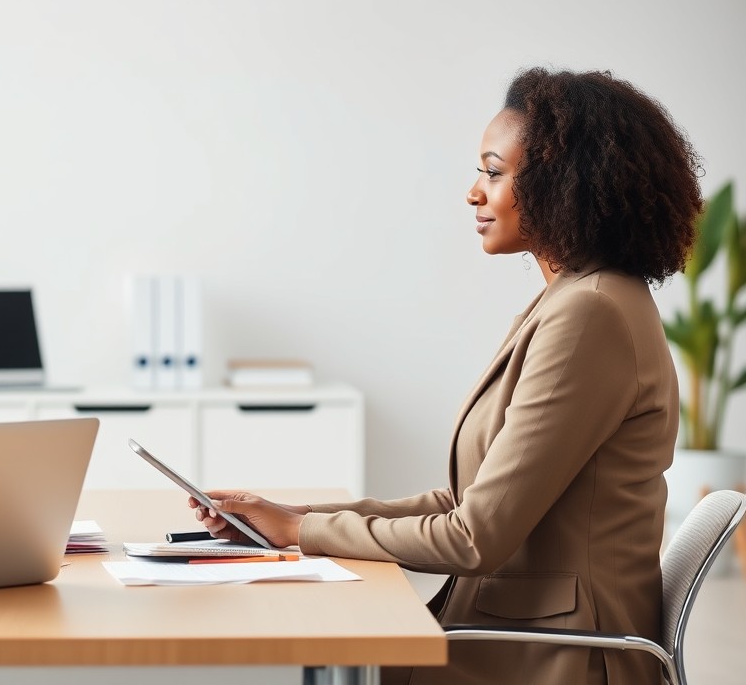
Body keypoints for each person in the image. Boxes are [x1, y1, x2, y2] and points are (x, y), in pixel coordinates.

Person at [191, 67, 702, 685]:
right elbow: (470, 503)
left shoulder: (589, 315)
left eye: (492, 172)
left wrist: (303, 531)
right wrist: (291, 515)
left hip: (556, 656)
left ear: (562, 183)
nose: (473, 193)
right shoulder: (577, 299)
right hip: (526, 632)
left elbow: (473, 538)